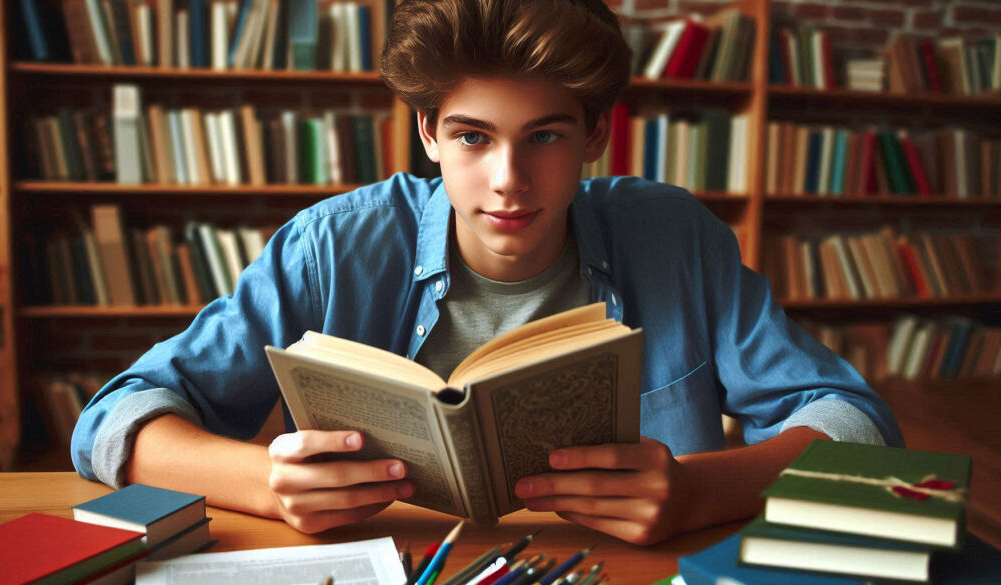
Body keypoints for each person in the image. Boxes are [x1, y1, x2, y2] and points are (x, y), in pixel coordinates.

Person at [72, 0, 903, 545]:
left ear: (595, 134)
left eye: (545, 136)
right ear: (428, 130)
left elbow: (858, 426)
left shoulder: (672, 234)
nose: (508, 178)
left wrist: (696, 491)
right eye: (473, 136)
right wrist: (266, 480)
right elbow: (116, 419)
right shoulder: (333, 244)